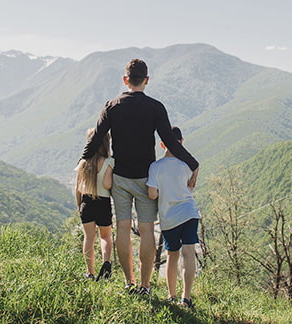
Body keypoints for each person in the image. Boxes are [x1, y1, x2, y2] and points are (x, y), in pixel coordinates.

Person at [81, 59, 199, 295]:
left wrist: (83, 159)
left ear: (125, 80)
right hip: (147, 177)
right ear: (146, 80)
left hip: (121, 178)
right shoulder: (156, 107)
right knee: (146, 231)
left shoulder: (111, 105)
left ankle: (129, 282)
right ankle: (145, 286)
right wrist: (193, 164)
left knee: (122, 228)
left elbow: (96, 138)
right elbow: (170, 141)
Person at [147, 126, 201, 308]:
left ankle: (171, 296)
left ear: (162, 144)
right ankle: (186, 298)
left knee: (172, 255)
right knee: (189, 254)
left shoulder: (155, 167)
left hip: (169, 217)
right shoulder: (187, 166)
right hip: (189, 213)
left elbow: (152, 194)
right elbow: (190, 187)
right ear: (182, 143)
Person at [75, 128, 114, 281]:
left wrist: (80, 205)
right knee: (105, 236)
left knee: (89, 237)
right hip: (103, 202)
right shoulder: (110, 162)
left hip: (86, 201)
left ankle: (90, 272)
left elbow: (78, 188)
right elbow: (108, 184)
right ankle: (106, 263)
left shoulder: (83, 162)